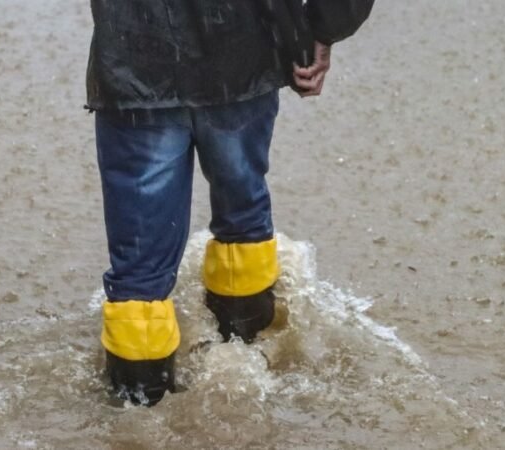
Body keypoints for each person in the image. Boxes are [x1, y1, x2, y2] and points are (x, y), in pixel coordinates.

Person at [86, 0, 374, 405]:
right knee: (243, 223)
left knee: (139, 275)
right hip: (242, 52)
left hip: (134, 61)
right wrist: (321, 28)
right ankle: (248, 360)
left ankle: (134, 412)